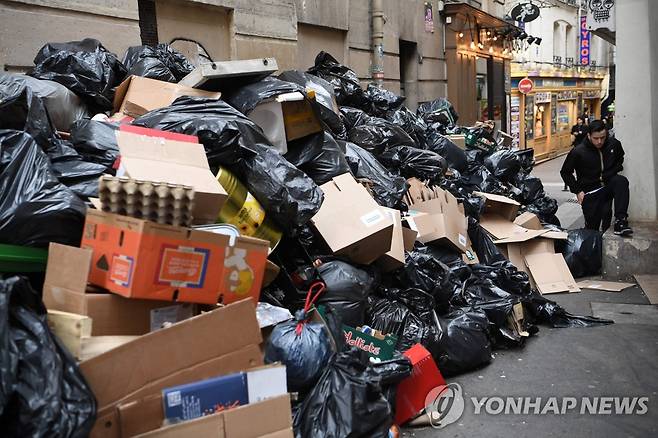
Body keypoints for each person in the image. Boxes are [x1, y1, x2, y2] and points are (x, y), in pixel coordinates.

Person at [560, 119, 633, 236]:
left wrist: (612, 172)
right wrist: (578, 191)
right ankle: (592, 248)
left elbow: (620, 159)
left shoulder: (614, 144)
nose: (599, 141)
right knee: (592, 229)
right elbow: (565, 172)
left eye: (603, 138)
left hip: (608, 186)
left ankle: (621, 221)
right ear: (589, 135)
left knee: (621, 181)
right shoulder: (578, 151)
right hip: (590, 192)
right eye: (596, 138)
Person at [563, 116, 588, 190]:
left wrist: (580, 133)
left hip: (582, 142)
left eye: (580, 120)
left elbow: (586, 133)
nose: (579, 121)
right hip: (577, 143)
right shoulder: (575, 126)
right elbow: (572, 132)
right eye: (578, 120)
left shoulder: (585, 127)